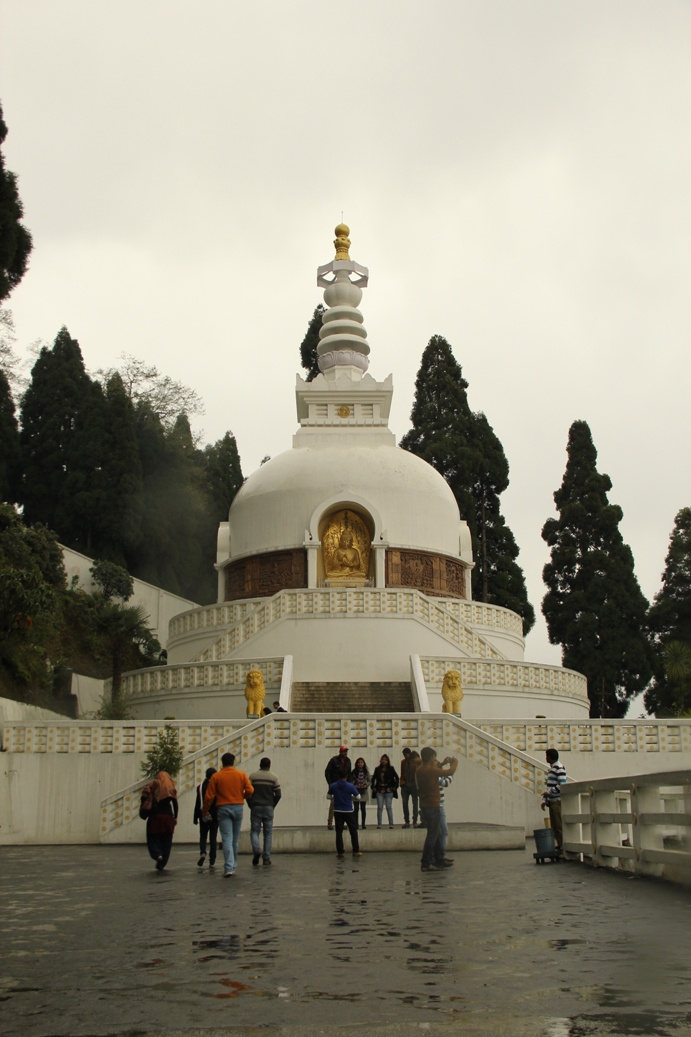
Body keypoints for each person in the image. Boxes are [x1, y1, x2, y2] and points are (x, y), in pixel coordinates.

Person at [203, 752, 253, 877]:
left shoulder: (216, 777)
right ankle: (233, 864)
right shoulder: (241, 774)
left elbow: (209, 796)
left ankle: (228, 867)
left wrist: (205, 810)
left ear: (222, 763)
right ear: (233, 761)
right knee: (235, 840)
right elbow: (250, 790)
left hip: (223, 808)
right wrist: (242, 796)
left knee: (227, 838)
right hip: (237, 807)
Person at [416, 747, 458, 871]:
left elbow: (435, 769)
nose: (435, 759)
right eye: (434, 757)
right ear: (430, 757)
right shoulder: (430, 770)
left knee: (437, 833)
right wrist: (454, 764)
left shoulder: (420, 769)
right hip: (432, 804)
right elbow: (449, 772)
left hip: (425, 804)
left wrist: (442, 763)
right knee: (433, 835)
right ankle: (426, 862)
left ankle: (440, 859)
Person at [248, 756, 282, 866]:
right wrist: (272, 805)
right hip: (268, 807)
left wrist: (250, 804)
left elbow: (247, 792)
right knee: (268, 833)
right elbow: (278, 794)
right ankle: (266, 857)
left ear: (260, 764)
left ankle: (257, 850)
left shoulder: (253, 776)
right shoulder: (274, 777)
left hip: (256, 806)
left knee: (254, 831)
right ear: (269, 765)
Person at [142, 770, 178, 871]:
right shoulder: (171, 787)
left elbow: (144, 797)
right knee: (167, 841)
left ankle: (157, 854)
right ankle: (162, 863)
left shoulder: (154, 785)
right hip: (168, 817)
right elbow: (175, 804)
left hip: (155, 817)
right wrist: (175, 817)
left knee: (152, 838)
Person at [327, 774, 361, 857]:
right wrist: (351, 797)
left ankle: (340, 852)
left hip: (337, 810)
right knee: (353, 831)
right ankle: (355, 851)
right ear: (346, 776)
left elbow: (328, 796)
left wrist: (335, 798)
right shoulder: (350, 786)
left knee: (339, 832)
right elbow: (358, 797)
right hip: (348, 810)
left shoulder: (334, 785)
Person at [541, 748, 567, 856]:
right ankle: (560, 845)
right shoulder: (553, 768)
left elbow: (562, 784)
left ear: (551, 757)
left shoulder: (559, 768)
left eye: (547, 756)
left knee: (559, 826)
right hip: (552, 800)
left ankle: (563, 848)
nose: (546, 758)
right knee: (554, 826)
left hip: (557, 800)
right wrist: (546, 799)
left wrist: (550, 792)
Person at [193, 766, 218, 868]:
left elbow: (197, 803)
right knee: (213, 837)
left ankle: (203, 852)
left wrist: (195, 817)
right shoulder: (216, 786)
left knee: (203, 836)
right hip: (215, 814)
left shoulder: (200, 787)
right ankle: (212, 860)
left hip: (203, 814)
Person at [324, 746, 351, 829]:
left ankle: (341, 823)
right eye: (344, 751)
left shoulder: (348, 761)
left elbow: (349, 773)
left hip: (344, 784)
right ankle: (330, 822)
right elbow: (327, 771)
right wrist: (330, 783)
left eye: (346, 751)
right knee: (333, 803)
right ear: (340, 752)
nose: (345, 753)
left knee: (343, 803)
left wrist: (349, 784)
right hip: (335, 784)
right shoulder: (334, 760)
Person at [371, 753, 399, 828]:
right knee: (380, 807)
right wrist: (373, 787)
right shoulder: (377, 769)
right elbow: (373, 779)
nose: (384, 761)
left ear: (388, 761)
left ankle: (391, 823)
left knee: (388, 807)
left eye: (385, 760)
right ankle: (379, 824)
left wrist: (395, 787)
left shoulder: (391, 768)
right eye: (382, 759)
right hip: (380, 790)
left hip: (389, 790)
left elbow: (396, 778)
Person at [400, 747, 420, 828]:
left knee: (415, 803)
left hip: (413, 785)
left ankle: (414, 820)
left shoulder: (414, 762)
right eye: (404, 754)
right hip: (405, 785)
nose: (405, 756)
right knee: (405, 803)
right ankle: (407, 821)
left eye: (407, 754)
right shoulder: (403, 762)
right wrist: (402, 783)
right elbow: (402, 773)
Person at [351, 757, 370, 828]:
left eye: (361, 762)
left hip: (364, 791)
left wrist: (366, 785)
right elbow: (351, 780)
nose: (360, 764)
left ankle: (363, 824)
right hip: (356, 791)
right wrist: (354, 785)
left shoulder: (366, 772)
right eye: (359, 762)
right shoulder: (354, 772)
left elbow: (369, 780)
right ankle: (356, 824)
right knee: (356, 809)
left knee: (363, 808)